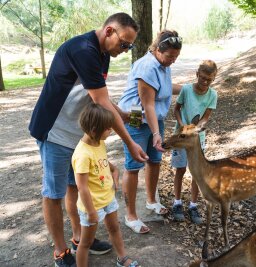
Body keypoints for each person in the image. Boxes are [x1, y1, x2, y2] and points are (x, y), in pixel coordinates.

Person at [28, 13, 148, 267]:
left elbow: (97, 94)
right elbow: (100, 101)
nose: (125, 50)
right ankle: (61, 251)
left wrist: (122, 114)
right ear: (108, 31)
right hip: (54, 131)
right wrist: (129, 143)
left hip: (76, 134)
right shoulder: (83, 49)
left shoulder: (103, 53)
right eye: (124, 44)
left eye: (130, 46)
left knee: (76, 187)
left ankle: (80, 237)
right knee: (54, 192)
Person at [118, 30, 182, 234]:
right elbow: (148, 105)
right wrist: (156, 134)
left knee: (155, 160)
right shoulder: (147, 67)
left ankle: (151, 200)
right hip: (135, 120)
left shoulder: (163, 65)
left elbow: (165, 88)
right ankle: (130, 215)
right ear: (156, 50)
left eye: (176, 57)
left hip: (156, 120)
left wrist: (190, 88)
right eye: (169, 56)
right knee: (133, 165)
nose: (172, 60)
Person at [72, 103, 139, 267]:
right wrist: (91, 212)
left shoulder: (98, 143)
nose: (112, 131)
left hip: (108, 200)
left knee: (115, 229)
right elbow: (82, 187)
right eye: (108, 129)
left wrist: (114, 171)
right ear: (95, 130)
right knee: (86, 243)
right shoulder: (82, 154)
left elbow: (103, 163)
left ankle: (122, 258)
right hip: (92, 206)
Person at [170, 60, 218, 224]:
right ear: (197, 74)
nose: (204, 82)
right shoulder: (186, 90)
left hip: (197, 139)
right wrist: (183, 125)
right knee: (180, 169)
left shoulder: (212, 94)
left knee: (197, 173)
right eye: (202, 78)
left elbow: (206, 117)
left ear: (213, 79)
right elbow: (176, 110)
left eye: (209, 80)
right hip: (181, 136)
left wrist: (198, 128)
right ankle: (177, 203)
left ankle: (193, 205)